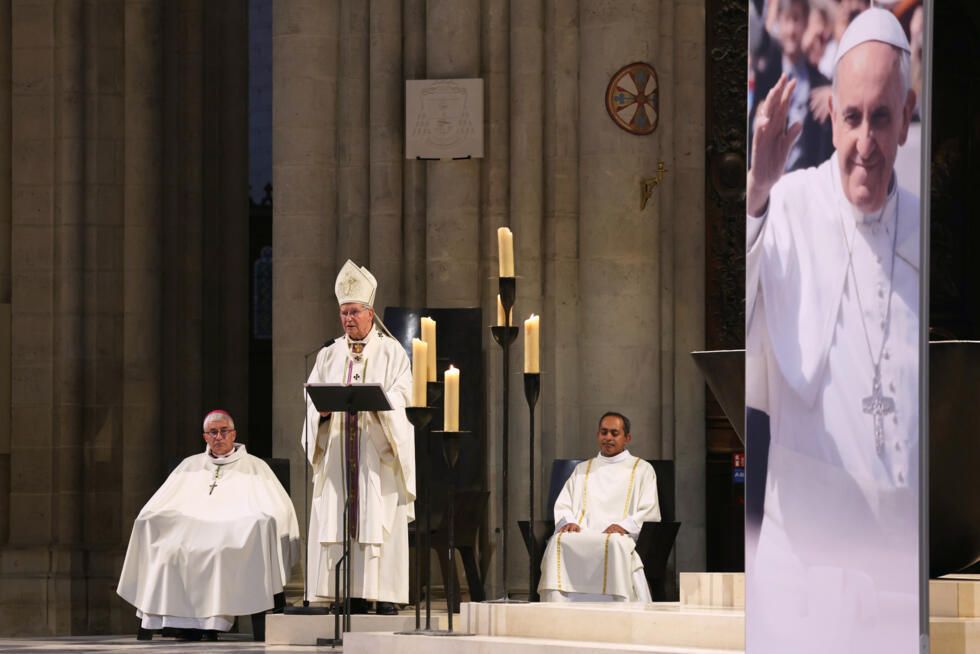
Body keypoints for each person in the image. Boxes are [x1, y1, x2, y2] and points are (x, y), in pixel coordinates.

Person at [745, 8, 920, 653]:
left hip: (898, 569)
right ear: (833, 116)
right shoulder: (788, 204)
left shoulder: (932, 229)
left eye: (881, 117)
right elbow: (737, 315)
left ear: (906, 117)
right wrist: (756, 196)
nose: (865, 144)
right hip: (801, 570)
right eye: (852, 118)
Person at [117, 410, 300, 640]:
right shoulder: (189, 465)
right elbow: (160, 503)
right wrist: (150, 518)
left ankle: (206, 624)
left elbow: (278, 508)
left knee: (219, 551)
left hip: (234, 536)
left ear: (234, 434)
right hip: (187, 536)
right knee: (169, 551)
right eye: (213, 432)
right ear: (205, 437)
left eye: (224, 431)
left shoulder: (256, 467)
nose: (219, 437)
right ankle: (183, 625)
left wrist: (256, 521)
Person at [304, 260, 415, 615]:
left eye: (354, 312)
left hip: (374, 453)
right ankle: (345, 593)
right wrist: (319, 414)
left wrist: (380, 406)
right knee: (338, 514)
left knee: (378, 515)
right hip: (338, 449)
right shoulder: (328, 354)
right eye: (343, 313)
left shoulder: (392, 351)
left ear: (370, 313)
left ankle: (382, 594)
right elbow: (311, 397)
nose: (348, 319)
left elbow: (403, 397)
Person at [537, 412, 661, 602]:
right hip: (583, 532)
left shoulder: (642, 469)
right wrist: (569, 522)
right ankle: (559, 612)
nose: (608, 438)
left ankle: (618, 609)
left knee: (614, 543)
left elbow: (648, 508)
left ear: (627, 438)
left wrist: (625, 526)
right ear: (597, 435)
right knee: (558, 542)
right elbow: (564, 503)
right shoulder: (583, 469)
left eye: (614, 433)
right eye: (604, 432)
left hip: (620, 535)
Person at [750, 0, 834, 172]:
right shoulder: (767, 66)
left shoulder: (819, 82)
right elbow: (753, 29)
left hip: (802, 183)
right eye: (786, 20)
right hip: (764, 180)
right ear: (778, 23)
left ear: (805, 24)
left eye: (797, 20)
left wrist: (836, 95)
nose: (791, 30)